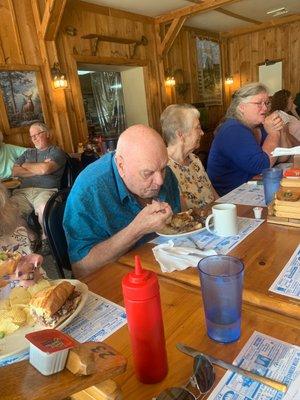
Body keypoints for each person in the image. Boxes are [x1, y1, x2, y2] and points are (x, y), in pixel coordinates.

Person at [63, 124, 181, 278]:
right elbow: (82, 269)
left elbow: (178, 225)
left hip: (164, 266)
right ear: (121, 166)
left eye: (163, 169)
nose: (160, 181)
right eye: (148, 173)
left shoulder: (161, 171)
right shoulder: (88, 192)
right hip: (114, 279)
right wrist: (136, 229)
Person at [207, 82, 284, 196]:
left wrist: (281, 128)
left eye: (267, 103)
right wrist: (274, 134)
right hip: (231, 197)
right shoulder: (233, 129)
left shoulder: (257, 127)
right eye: (259, 103)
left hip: (250, 188)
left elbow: (283, 156)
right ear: (242, 107)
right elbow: (261, 166)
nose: (265, 108)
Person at [11, 122, 66, 252]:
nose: (34, 138)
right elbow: (15, 171)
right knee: (8, 211)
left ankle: (45, 238)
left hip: (46, 191)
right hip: (23, 192)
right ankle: (32, 235)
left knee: (43, 208)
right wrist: (38, 167)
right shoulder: (28, 152)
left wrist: (26, 165)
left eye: (37, 134)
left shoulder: (56, 151)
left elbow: (45, 169)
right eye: (32, 136)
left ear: (47, 134)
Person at [160, 104, 218, 209]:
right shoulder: (165, 167)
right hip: (197, 224)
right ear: (180, 135)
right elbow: (184, 214)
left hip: (213, 219)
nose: (202, 133)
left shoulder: (194, 159)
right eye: (197, 128)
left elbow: (215, 197)